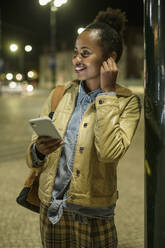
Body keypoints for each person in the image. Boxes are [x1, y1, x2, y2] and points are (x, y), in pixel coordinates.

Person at [27, 7, 141, 248]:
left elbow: (110, 153)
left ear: (110, 58)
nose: (77, 59)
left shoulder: (126, 102)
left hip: (93, 214)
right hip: (52, 209)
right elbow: (31, 158)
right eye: (76, 52)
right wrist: (38, 150)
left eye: (85, 53)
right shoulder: (60, 94)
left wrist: (107, 93)